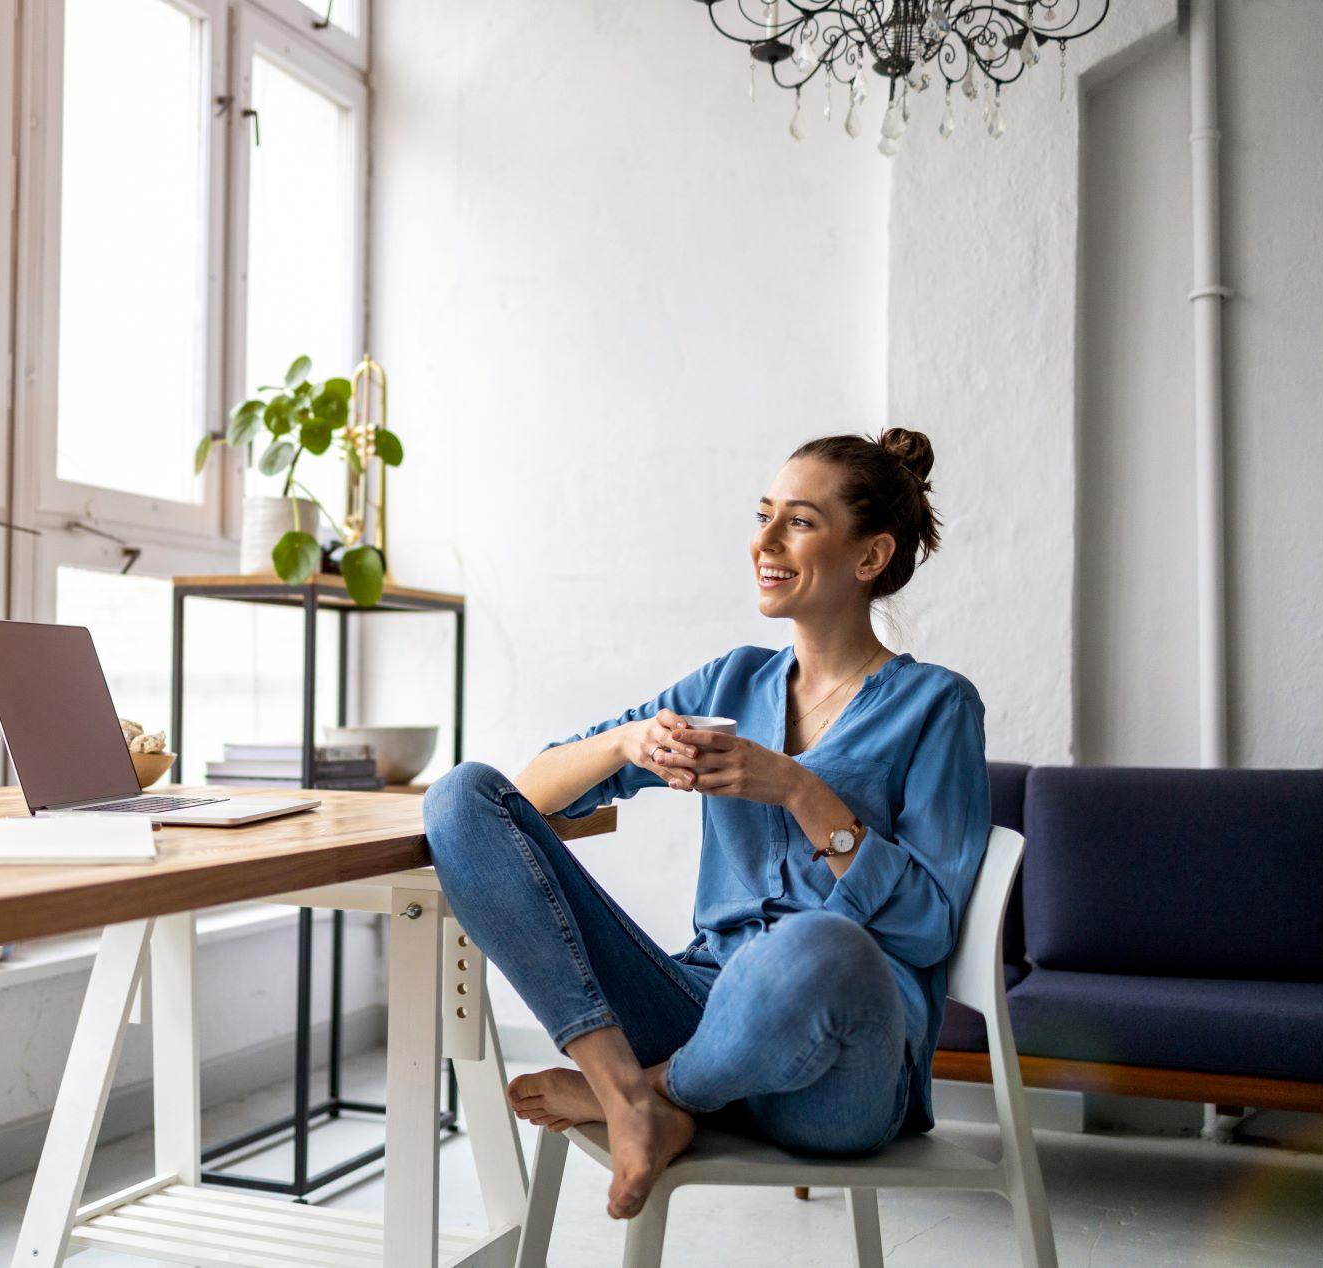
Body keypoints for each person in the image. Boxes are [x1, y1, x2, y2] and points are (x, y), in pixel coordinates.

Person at [422, 428, 991, 1220]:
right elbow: (529, 796)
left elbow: (928, 926)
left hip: (842, 1069)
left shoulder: (937, 705)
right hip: (700, 1002)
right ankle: (631, 1099)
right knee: (460, 796)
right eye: (763, 516)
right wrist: (628, 743)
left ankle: (650, 1092)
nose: (763, 541)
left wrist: (798, 789)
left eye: (798, 521)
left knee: (817, 941)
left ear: (869, 558)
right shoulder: (734, 680)